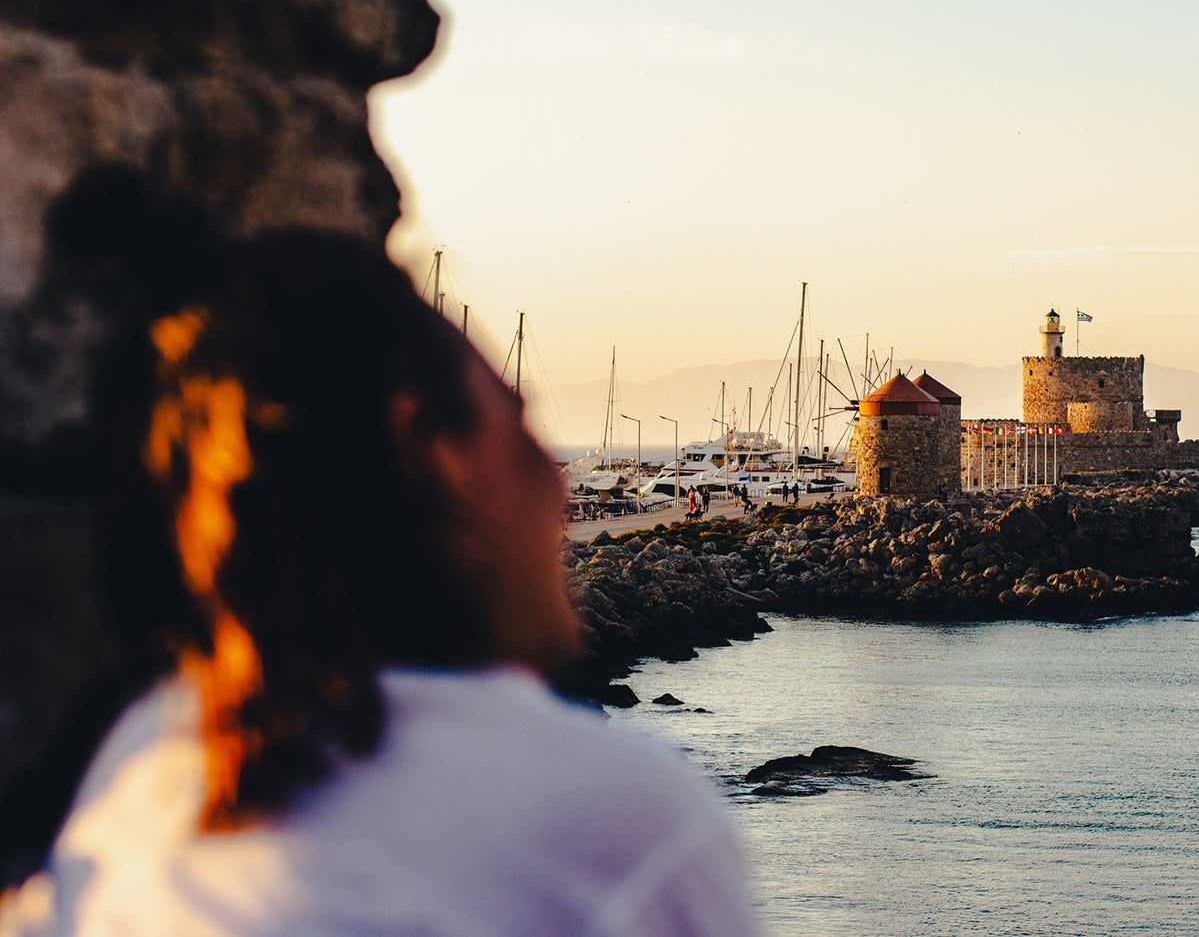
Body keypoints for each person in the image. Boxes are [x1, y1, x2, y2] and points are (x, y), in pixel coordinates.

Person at [0, 226, 760, 936]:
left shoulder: (135, 780)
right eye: (520, 426)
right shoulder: (619, 823)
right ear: (431, 446)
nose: (557, 483)